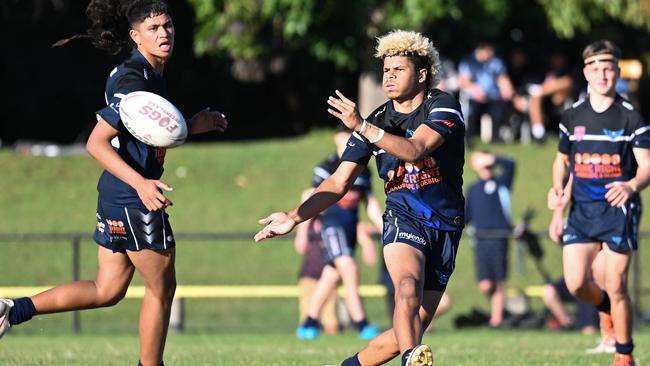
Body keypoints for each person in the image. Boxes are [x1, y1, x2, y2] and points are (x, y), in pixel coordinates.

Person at [0, 1, 227, 365]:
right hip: (133, 195)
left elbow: (143, 133)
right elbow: (96, 142)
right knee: (162, 289)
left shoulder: (151, 74)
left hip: (116, 193)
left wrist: (189, 124)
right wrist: (141, 184)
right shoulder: (132, 79)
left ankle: (13, 309)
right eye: (153, 29)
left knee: (108, 289)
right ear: (135, 36)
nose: (164, 33)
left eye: (167, 25)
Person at [255, 30, 465, 366]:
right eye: (385, 70)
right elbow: (338, 183)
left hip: (446, 224)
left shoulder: (442, 106)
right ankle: (414, 361)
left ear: (422, 74)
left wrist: (364, 127)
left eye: (398, 69)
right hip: (403, 217)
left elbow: (415, 150)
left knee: (407, 329)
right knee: (407, 288)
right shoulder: (377, 121)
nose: (389, 75)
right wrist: (293, 217)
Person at [548, 40, 650, 366]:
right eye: (595, 68)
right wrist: (557, 198)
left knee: (615, 281)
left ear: (617, 72)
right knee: (577, 283)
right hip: (581, 211)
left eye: (608, 69)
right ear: (586, 73)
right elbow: (562, 161)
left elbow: (647, 165)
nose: (602, 75)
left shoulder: (631, 117)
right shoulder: (572, 115)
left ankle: (624, 354)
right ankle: (606, 307)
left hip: (618, 210)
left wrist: (632, 184)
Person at [294, 126, 383, 340]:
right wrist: (302, 232)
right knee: (349, 269)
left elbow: (369, 202)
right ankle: (362, 324)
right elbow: (309, 195)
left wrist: (384, 228)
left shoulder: (364, 169)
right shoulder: (327, 167)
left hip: (350, 227)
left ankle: (308, 322)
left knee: (331, 276)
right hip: (331, 225)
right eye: (345, 138)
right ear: (336, 139)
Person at [465, 151, 515, 327]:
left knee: (498, 281)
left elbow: (511, 164)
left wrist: (492, 157)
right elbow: (466, 215)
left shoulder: (501, 184)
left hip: (499, 237)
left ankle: (497, 319)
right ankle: (499, 310)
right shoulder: (473, 189)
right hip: (480, 240)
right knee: (486, 284)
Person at [458, 40, 514, 144]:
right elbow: (464, 81)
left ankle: (496, 138)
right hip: (475, 96)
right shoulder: (468, 61)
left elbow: (503, 79)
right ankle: (469, 138)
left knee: (499, 109)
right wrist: (475, 90)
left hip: (493, 97)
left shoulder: (496, 62)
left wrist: (507, 90)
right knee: (471, 111)